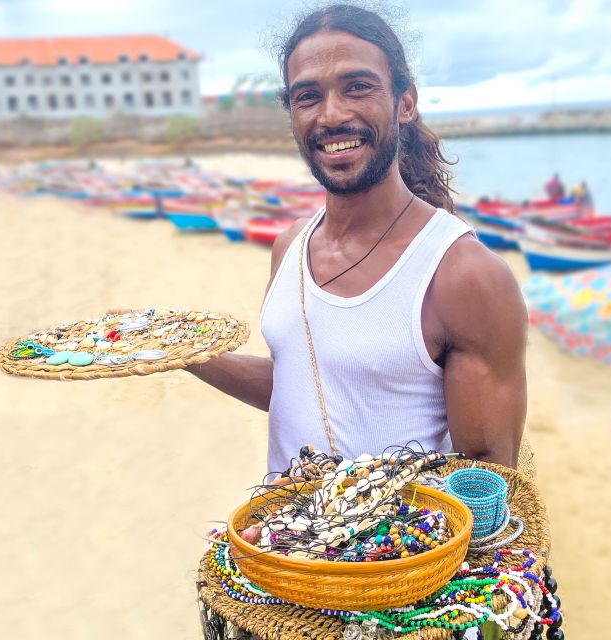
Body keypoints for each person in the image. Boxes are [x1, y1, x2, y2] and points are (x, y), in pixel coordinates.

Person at [186, 4, 527, 473]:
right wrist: (182, 353)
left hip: (398, 544)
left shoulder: (463, 274)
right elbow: (302, 386)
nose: (331, 115)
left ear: (405, 101)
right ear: (292, 114)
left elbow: (490, 474)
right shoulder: (289, 248)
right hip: (278, 540)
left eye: (358, 87)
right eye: (308, 96)